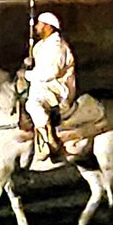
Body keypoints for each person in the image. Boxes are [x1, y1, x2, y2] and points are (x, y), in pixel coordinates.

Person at [23, 11, 76, 162]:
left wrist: (28, 75)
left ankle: (48, 142)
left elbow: (51, 73)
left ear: (48, 27)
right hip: (43, 85)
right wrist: (29, 63)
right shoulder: (42, 45)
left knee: (32, 104)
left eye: (39, 24)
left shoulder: (57, 47)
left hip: (57, 88)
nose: (36, 27)